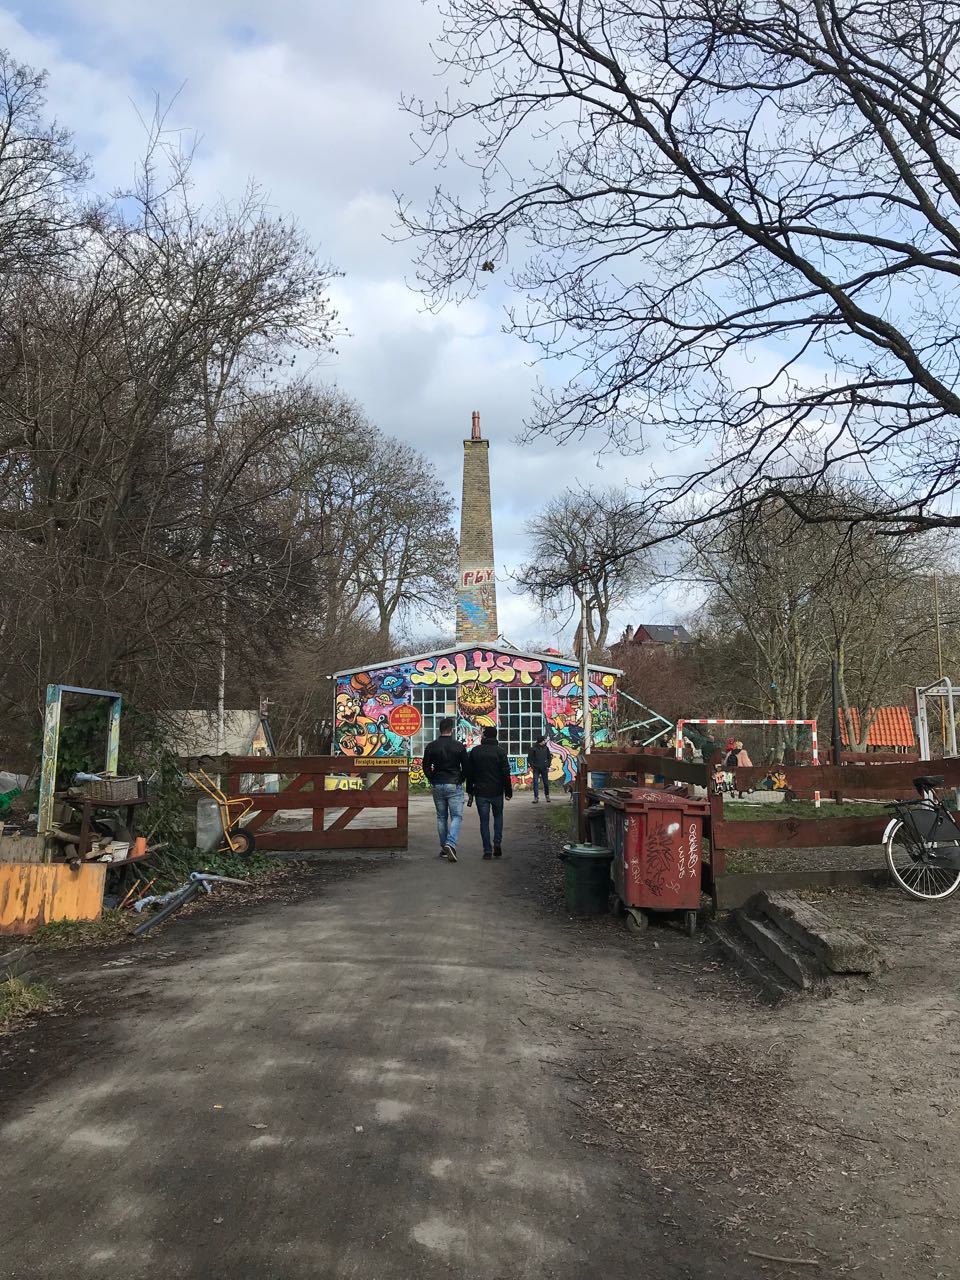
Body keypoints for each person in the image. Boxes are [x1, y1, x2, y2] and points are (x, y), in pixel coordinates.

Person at [422, 716, 468, 862]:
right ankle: (450, 843)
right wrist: (461, 778)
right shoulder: (459, 746)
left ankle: (444, 847)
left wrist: (432, 778)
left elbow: (426, 766)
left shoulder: (431, 746)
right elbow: (466, 767)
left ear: (440, 729)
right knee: (456, 816)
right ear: (452, 730)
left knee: (441, 817)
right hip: (454, 783)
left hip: (438, 783)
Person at [466, 726, 513, 859]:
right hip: (497, 791)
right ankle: (497, 842)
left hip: (481, 792)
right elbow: (506, 773)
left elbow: (470, 773)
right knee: (498, 817)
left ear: (484, 736)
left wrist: (469, 789)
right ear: (496, 736)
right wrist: (508, 791)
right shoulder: (500, 752)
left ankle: (487, 851)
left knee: (484, 821)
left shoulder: (475, 751)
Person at [528, 734, 553, 804]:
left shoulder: (546, 748)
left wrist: (547, 764)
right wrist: (533, 766)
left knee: (546, 783)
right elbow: (529, 758)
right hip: (536, 768)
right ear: (541, 741)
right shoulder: (533, 748)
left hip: (544, 768)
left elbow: (549, 757)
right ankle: (536, 797)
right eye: (544, 740)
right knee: (535, 783)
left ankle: (547, 796)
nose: (545, 741)